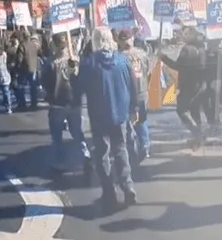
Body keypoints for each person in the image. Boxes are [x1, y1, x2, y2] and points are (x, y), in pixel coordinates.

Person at [75, 27, 138, 211]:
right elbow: (133, 85)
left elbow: (79, 89)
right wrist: (134, 108)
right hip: (120, 114)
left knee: (102, 153)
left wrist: (74, 74)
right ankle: (128, 186)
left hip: (99, 116)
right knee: (120, 150)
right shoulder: (122, 60)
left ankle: (109, 192)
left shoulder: (89, 63)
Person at [41, 34, 90, 171]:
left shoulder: (50, 62)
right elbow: (83, 79)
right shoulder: (76, 60)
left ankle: (59, 161)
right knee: (77, 131)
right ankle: (85, 152)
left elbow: (45, 82)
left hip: (58, 103)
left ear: (54, 44)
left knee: (56, 135)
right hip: (75, 102)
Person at [159, 26, 206, 149]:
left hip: (188, 84)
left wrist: (163, 57)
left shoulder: (188, 49)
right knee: (195, 110)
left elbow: (178, 66)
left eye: (186, 34)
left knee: (182, 110)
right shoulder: (201, 48)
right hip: (199, 84)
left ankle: (197, 133)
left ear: (192, 35)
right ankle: (198, 138)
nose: (183, 36)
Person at [116, 29, 151, 162]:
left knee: (128, 122)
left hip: (127, 94)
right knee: (142, 120)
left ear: (119, 41)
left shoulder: (119, 57)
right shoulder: (142, 54)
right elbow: (147, 70)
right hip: (142, 91)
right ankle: (145, 144)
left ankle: (131, 147)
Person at [16, 32, 40, 110]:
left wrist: (17, 67)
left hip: (24, 68)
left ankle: (22, 104)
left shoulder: (22, 45)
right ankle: (34, 103)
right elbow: (39, 53)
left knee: (21, 86)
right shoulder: (34, 45)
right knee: (33, 87)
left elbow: (20, 58)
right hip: (34, 67)